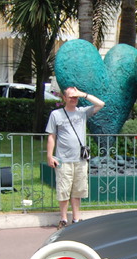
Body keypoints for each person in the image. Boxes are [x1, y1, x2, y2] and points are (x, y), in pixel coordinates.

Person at [46, 86, 105, 230]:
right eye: (71, 97)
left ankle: (76, 219)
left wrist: (83, 94)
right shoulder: (56, 114)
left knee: (78, 191)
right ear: (64, 98)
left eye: (75, 97)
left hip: (80, 159)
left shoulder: (82, 113)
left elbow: (100, 104)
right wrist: (49, 155)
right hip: (63, 159)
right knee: (64, 190)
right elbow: (51, 136)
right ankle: (64, 218)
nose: (74, 99)